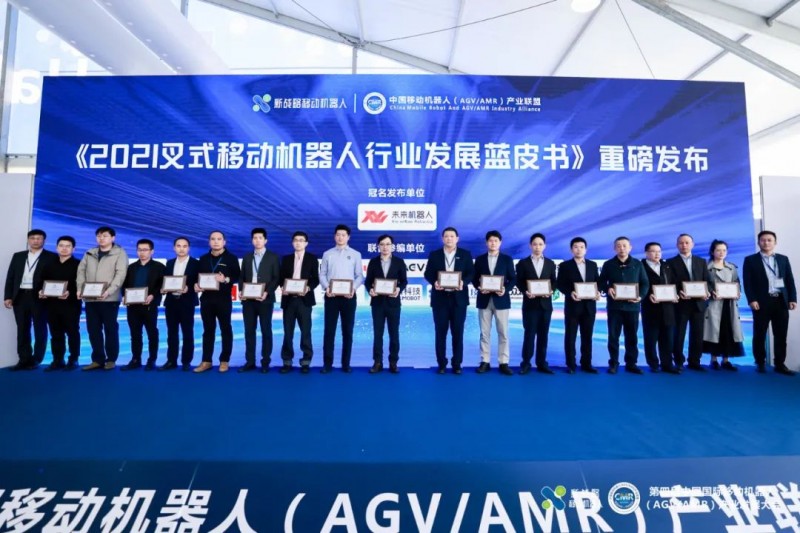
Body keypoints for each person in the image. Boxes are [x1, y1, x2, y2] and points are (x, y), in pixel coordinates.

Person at [743, 230, 797, 375]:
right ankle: (760, 362)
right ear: (758, 242)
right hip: (761, 302)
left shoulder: (783, 259)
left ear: (775, 242)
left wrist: (792, 298)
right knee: (759, 333)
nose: (766, 243)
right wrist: (752, 299)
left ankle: (780, 363)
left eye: (769, 240)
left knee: (781, 334)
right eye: (763, 240)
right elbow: (748, 283)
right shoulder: (750, 260)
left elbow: (789, 280)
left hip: (780, 301)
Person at [4, 229, 57, 370]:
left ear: (44, 240)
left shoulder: (51, 257)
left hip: (40, 297)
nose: (35, 241)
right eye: (33, 238)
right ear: (28, 240)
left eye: (39, 238)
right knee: (22, 329)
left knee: (40, 328)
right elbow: (11, 277)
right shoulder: (18, 256)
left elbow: (54, 278)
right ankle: (23, 359)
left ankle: (36, 359)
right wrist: (8, 296)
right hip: (20, 296)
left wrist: (48, 292)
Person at [424, 227, 474, 374]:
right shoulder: (435, 255)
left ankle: (457, 364)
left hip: (459, 300)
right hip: (440, 300)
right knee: (440, 333)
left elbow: (471, 273)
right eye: (446, 236)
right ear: (442, 239)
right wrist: (434, 282)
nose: (449, 238)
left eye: (452, 236)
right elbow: (428, 273)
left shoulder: (465, 254)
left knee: (458, 333)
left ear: (457, 238)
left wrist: (463, 282)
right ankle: (441, 364)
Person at [77, 226, 128, 371]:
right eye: (99, 236)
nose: (101, 238)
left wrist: (109, 291)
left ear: (113, 238)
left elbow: (120, 275)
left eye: (105, 236)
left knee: (110, 329)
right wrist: (80, 289)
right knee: (93, 329)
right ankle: (97, 359)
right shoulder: (90, 253)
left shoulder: (120, 253)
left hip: (109, 299)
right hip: (90, 298)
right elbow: (81, 271)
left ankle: (111, 359)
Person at [598, 236, 649, 374]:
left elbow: (645, 283)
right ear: (614, 248)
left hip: (632, 307)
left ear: (630, 248)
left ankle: (631, 363)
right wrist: (607, 289)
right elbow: (601, 282)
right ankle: (613, 363)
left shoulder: (638, 264)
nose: (622, 248)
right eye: (619, 246)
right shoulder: (608, 264)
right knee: (613, 336)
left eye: (624, 245)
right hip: (614, 307)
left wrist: (640, 296)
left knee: (632, 336)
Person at [194, 231, 240, 373]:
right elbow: (197, 277)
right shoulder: (203, 259)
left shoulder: (231, 258)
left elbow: (237, 277)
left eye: (219, 239)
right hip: (206, 299)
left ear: (224, 242)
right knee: (208, 330)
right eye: (213, 239)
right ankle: (206, 361)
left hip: (223, 299)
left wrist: (225, 279)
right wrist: (196, 285)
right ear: (209, 242)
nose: (216, 241)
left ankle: (224, 360)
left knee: (226, 329)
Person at [319, 224, 363, 373]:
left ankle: (346, 364)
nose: (340, 237)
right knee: (329, 331)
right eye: (338, 234)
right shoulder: (327, 254)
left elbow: (359, 276)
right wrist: (327, 287)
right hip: (331, 297)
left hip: (349, 298)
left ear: (348, 237)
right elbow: (322, 274)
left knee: (347, 331)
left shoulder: (356, 254)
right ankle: (327, 364)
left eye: (343, 235)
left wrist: (353, 288)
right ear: (334, 236)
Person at [472, 230, 516, 376]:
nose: (493, 243)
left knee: (503, 333)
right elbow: (474, 278)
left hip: (501, 300)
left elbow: (513, 279)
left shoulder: (507, 259)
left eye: (496, 241)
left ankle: (503, 362)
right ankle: (485, 361)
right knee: (484, 333)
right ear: (486, 243)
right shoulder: (480, 260)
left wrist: (505, 289)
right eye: (490, 241)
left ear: (500, 243)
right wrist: (479, 287)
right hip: (484, 300)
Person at [364, 234, 408, 373]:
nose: (385, 247)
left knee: (394, 334)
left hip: (393, 303)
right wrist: (370, 290)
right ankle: (377, 362)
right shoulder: (373, 262)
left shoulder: (399, 262)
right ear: (378, 246)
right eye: (382, 244)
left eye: (388, 244)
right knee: (378, 334)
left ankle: (393, 362)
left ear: (392, 246)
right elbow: (367, 281)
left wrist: (399, 289)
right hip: (377, 303)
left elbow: (404, 281)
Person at [239, 227, 280, 373]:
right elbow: (242, 277)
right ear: (252, 240)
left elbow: (276, 278)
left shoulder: (273, 257)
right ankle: (250, 361)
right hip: (248, 301)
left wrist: (267, 292)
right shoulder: (247, 257)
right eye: (255, 238)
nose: (257, 240)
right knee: (249, 331)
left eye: (260, 238)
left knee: (266, 330)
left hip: (265, 300)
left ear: (265, 240)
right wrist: (241, 291)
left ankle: (265, 362)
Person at [515, 232, 557, 374]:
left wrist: (551, 290)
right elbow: (519, 282)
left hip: (546, 305)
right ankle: (526, 363)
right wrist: (525, 291)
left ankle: (542, 363)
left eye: (540, 244)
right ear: (530, 246)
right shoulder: (523, 263)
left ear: (544, 246)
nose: (537, 247)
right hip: (530, 305)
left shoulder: (550, 263)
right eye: (534, 244)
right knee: (529, 334)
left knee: (543, 335)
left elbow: (554, 281)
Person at [556, 237, 600, 373]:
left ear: (586, 250)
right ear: (571, 250)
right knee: (570, 336)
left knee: (587, 336)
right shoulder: (565, 266)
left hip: (589, 307)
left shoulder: (593, 265)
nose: (579, 249)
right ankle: (571, 364)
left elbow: (598, 282)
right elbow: (560, 284)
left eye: (581, 247)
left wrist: (598, 292)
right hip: (572, 306)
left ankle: (587, 363)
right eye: (575, 247)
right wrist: (570, 293)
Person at [668, 234, 711, 371]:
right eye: (681, 243)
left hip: (699, 303)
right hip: (680, 303)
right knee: (678, 334)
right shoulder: (670, 262)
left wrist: (708, 292)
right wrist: (677, 292)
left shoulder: (701, 261)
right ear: (677, 245)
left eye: (687, 242)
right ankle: (678, 361)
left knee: (697, 334)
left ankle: (695, 361)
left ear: (692, 244)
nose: (684, 245)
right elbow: (668, 283)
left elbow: (708, 281)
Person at [278, 231, 319, 373]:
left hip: (304, 300)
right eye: (295, 240)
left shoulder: (312, 259)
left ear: (306, 243)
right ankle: (287, 361)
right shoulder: (286, 259)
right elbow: (281, 278)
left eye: (301, 240)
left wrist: (308, 287)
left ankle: (306, 361)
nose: (298, 242)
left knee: (305, 332)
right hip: (289, 300)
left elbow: (316, 279)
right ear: (292, 243)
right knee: (287, 332)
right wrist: (282, 286)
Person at [121, 239, 165, 371]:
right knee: (135, 334)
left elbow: (162, 285)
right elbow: (124, 285)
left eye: (145, 250)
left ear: (152, 251)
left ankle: (152, 360)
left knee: (152, 333)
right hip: (133, 306)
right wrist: (124, 296)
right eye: (139, 250)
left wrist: (153, 295)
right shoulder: (131, 267)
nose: (142, 253)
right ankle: (136, 359)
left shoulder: (159, 267)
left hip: (149, 305)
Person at [38, 236, 80, 371]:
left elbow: (82, 284)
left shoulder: (79, 265)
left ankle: (73, 359)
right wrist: (41, 291)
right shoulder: (49, 264)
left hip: (71, 304)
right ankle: (57, 360)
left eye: (68, 246)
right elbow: (41, 281)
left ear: (73, 249)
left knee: (72, 333)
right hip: (51, 305)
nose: (64, 248)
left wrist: (70, 293)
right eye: (61, 246)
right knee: (55, 333)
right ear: (56, 248)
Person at [703, 239, 744, 371]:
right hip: (714, 304)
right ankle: (713, 360)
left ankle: (726, 360)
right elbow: (704, 284)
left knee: (728, 330)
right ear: (712, 252)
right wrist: (711, 291)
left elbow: (737, 283)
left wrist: (738, 292)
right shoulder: (706, 267)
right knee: (714, 331)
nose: (721, 253)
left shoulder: (732, 267)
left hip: (729, 304)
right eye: (718, 250)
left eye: (724, 250)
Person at [640, 242, 680, 374]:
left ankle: (667, 364)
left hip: (668, 307)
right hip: (650, 307)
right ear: (646, 253)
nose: (656, 254)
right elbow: (638, 286)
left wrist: (676, 294)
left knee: (667, 338)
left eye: (659, 251)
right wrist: (647, 296)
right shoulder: (641, 266)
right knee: (651, 338)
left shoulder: (667, 266)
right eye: (653, 251)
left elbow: (674, 283)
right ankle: (653, 364)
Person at [161, 237, 199, 371]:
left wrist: (190, 288)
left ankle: (186, 361)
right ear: (174, 248)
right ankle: (171, 360)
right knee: (171, 333)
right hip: (171, 302)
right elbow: (165, 281)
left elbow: (199, 282)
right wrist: (163, 288)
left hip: (187, 302)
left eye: (184, 246)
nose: (181, 249)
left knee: (187, 332)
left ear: (188, 248)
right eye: (178, 246)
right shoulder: (169, 263)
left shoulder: (196, 264)